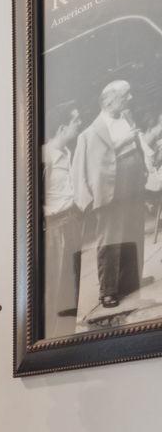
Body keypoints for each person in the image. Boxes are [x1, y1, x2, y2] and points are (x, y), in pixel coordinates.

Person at [72, 80, 151, 309]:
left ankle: (130, 282)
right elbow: (91, 165)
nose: (130, 99)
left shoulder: (127, 118)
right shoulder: (91, 132)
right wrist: (122, 143)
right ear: (108, 100)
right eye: (126, 95)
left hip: (133, 188)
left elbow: (136, 145)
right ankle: (107, 291)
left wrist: (144, 168)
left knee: (133, 232)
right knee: (110, 240)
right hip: (109, 193)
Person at [43, 107, 83, 316]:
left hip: (71, 222)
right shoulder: (44, 158)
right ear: (62, 127)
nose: (79, 123)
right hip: (55, 228)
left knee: (73, 284)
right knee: (57, 288)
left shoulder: (67, 152)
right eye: (76, 120)